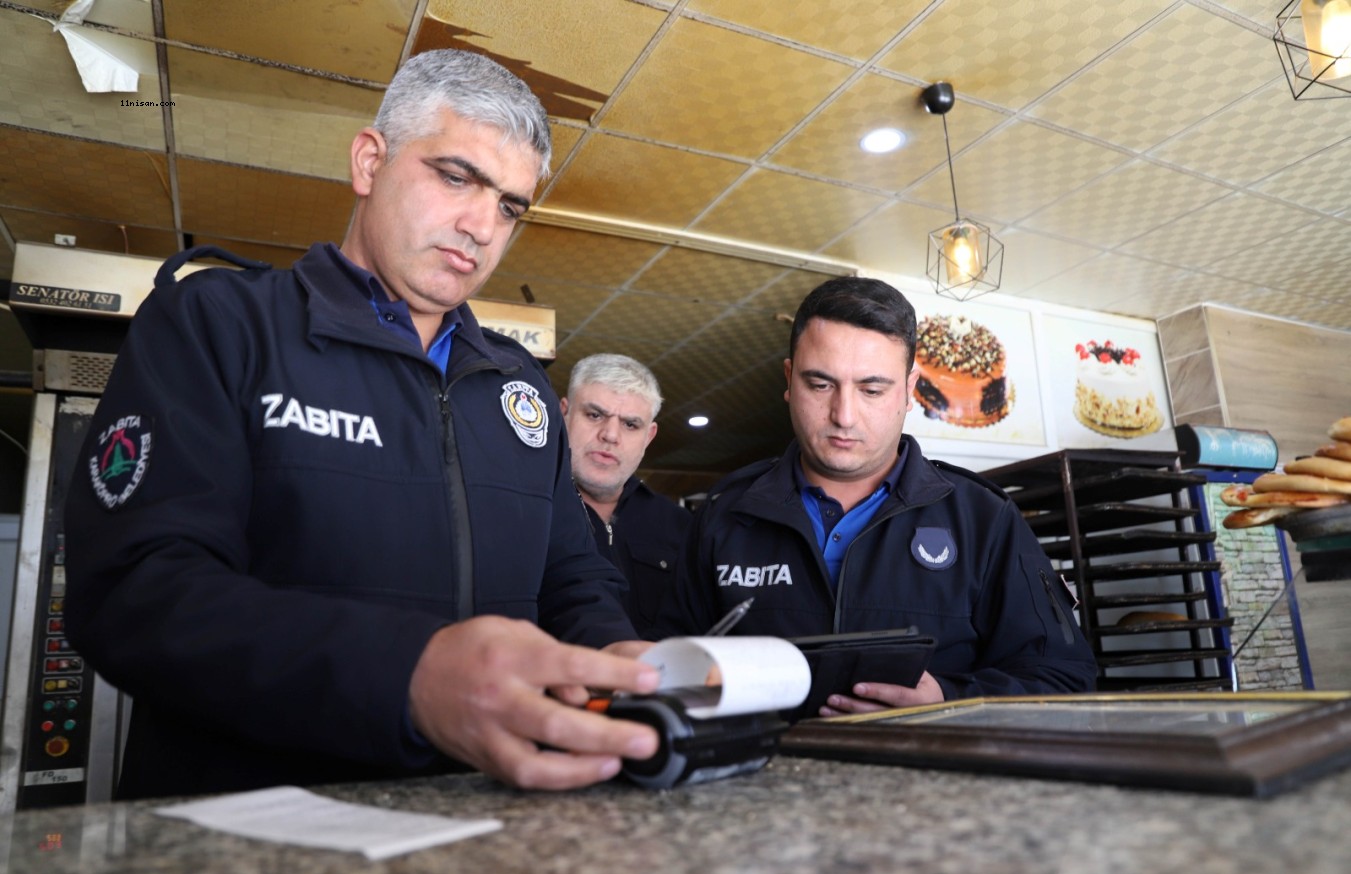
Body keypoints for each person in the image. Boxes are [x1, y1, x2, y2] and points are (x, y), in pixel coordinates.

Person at [63, 49, 662, 800]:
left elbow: (571, 578)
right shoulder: (219, 325)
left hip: (489, 814)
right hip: (253, 823)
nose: (481, 225)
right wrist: (407, 676)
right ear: (369, 162)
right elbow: (136, 589)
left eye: (509, 206)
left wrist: (621, 664)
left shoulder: (522, 391)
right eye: (455, 177)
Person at [654, 277, 1097, 715]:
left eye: (871, 390)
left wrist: (946, 700)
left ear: (909, 390)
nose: (843, 416)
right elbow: (664, 669)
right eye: (820, 384)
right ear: (790, 380)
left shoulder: (984, 517)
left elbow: (1064, 679)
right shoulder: (724, 512)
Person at [560, 354, 691, 633]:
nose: (610, 435)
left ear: (649, 436)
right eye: (594, 415)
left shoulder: (681, 527)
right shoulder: (527, 512)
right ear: (564, 414)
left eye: (630, 424)